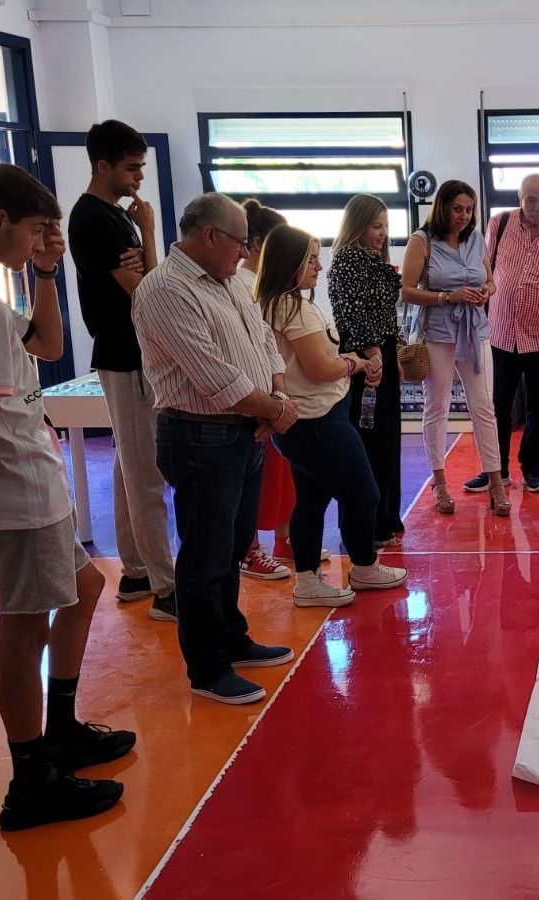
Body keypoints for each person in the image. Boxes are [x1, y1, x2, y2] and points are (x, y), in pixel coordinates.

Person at [0, 164, 132, 830]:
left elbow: (49, 343)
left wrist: (43, 274)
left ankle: (59, 730)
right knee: (24, 625)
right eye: (37, 231)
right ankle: (29, 777)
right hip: (15, 486)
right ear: (0, 220)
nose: (44, 242)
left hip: (31, 478)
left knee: (85, 585)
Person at [132, 192, 297, 705]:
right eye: (241, 243)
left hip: (244, 433)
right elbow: (212, 378)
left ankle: (232, 637)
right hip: (200, 436)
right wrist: (274, 410)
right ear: (209, 236)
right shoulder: (166, 290)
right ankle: (207, 668)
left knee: (232, 547)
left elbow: (264, 341)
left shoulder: (231, 282)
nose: (246, 254)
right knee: (204, 557)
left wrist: (277, 396)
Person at [255, 224, 410, 605]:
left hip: (307, 420)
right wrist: (356, 363)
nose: (318, 267)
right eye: (310, 259)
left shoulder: (279, 304)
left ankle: (309, 580)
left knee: (311, 499)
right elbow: (320, 368)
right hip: (317, 421)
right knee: (363, 492)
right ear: (289, 263)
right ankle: (363, 565)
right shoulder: (293, 309)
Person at [67, 119, 177, 619]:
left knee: (128, 464)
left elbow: (145, 280)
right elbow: (149, 292)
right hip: (126, 355)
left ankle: (135, 571)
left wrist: (146, 239)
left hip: (129, 354)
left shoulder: (113, 217)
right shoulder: (97, 220)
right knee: (145, 472)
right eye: (131, 169)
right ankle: (165, 585)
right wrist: (150, 234)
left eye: (141, 168)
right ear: (102, 165)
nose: (138, 178)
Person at [465, 173, 539, 495]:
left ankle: (533, 469)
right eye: (531, 199)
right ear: (520, 198)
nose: (538, 206)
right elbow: (485, 269)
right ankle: (496, 470)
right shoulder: (499, 224)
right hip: (504, 333)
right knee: (499, 406)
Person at [401, 180, 510, 516]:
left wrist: (485, 292)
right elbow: (406, 290)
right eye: (457, 208)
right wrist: (447, 297)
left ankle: (496, 482)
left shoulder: (477, 240)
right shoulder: (421, 241)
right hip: (437, 333)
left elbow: (490, 280)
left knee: (483, 408)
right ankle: (440, 482)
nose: (464, 215)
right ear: (443, 208)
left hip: (473, 330)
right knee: (437, 406)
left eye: (469, 209)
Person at [328, 193, 406, 546]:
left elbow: (387, 314)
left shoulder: (372, 260)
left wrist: (396, 353)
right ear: (357, 225)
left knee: (386, 438)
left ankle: (385, 517)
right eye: (376, 226)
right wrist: (375, 355)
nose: (382, 233)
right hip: (364, 355)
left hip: (382, 350)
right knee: (369, 441)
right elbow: (355, 314)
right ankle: (368, 524)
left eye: (385, 226)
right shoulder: (347, 260)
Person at [232, 199, 299, 580]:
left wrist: (281, 391)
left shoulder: (262, 284)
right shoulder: (240, 284)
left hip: (274, 391)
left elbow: (268, 344)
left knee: (280, 471)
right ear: (256, 244)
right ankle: (249, 550)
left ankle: (284, 538)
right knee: (253, 479)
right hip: (252, 396)